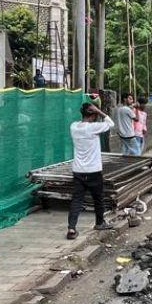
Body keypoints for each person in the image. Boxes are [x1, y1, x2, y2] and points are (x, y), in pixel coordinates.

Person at [67, 102, 116, 240]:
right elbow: (111, 123)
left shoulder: (74, 126)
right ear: (93, 115)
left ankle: (71, 228)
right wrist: (99, 111)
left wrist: (94, 111)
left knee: (77, 200)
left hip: (78, 170)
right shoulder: (94, 127)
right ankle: (99, 223)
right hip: (93, 170)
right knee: (98, 198)